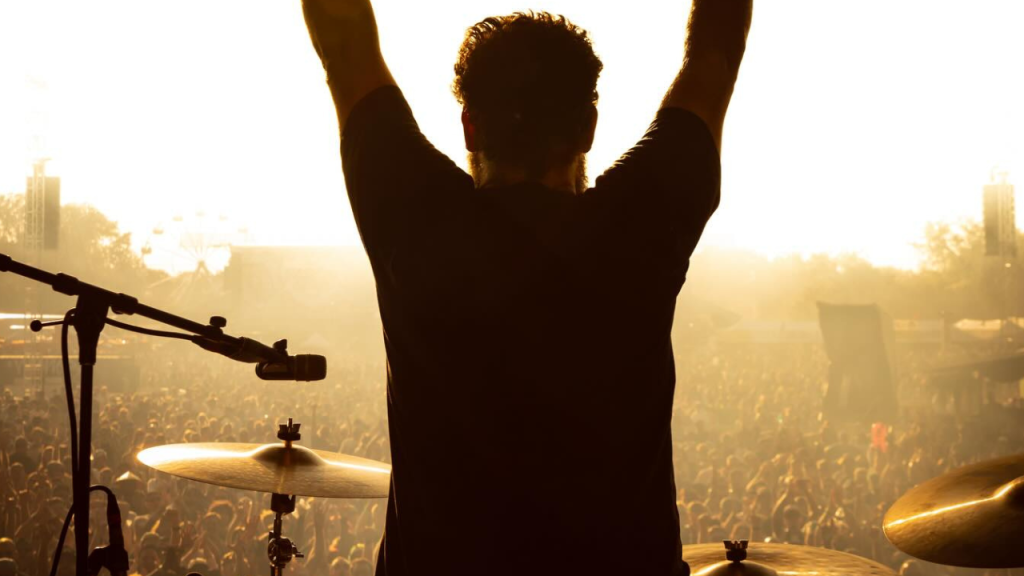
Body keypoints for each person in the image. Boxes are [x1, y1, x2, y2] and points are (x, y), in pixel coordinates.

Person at [302, 1, 752, 574]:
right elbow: (713, 61)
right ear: (588, 128)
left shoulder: (415, 219)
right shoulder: (641, 223)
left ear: (470, 125)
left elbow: (345, 48)